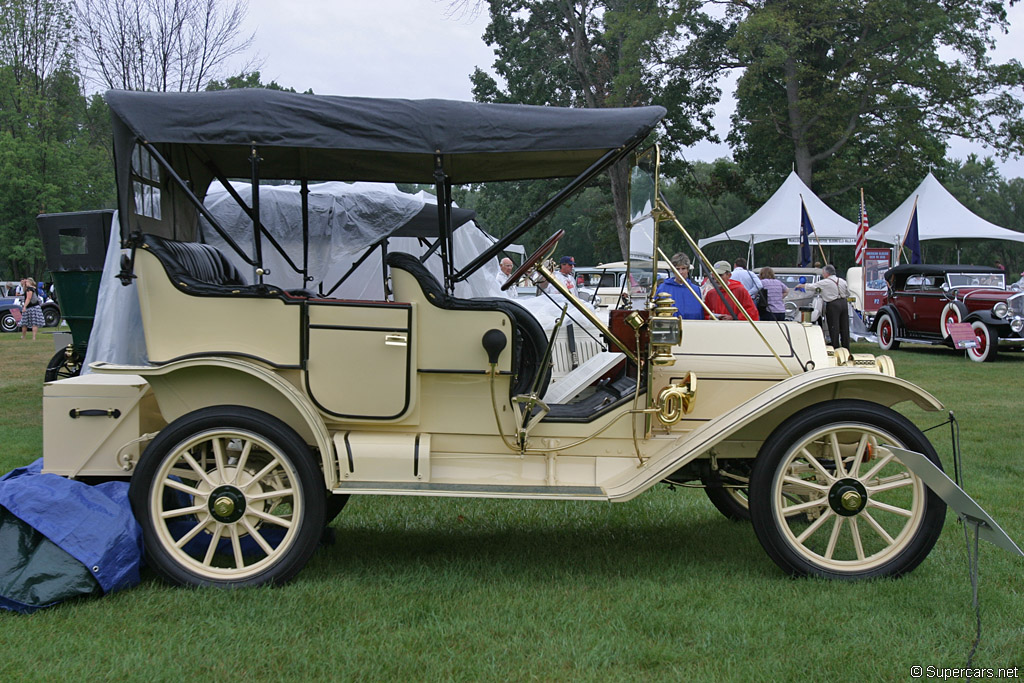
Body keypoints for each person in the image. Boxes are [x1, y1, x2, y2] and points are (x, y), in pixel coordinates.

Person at [655, 253, 703, 320]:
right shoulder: (663, 288)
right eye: (677, 269)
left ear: (688, 270)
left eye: (683, 269)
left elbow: (701, 313)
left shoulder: (696, 290)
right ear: (673, 270)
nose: (680, 272)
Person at [817, 264, 850, 349]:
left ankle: (835, 345)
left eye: (823, 273)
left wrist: (803, 286)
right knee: (844, 326)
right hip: (843, 302)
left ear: (827, 273)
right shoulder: (842, 281)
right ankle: (846, 346)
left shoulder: (825, 282)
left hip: (833, 304)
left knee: (834, 325)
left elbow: (813, 286)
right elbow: (848, 293)